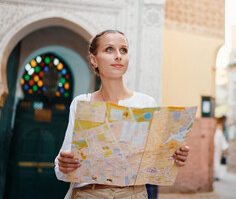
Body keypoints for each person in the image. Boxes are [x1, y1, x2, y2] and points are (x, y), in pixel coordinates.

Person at [54, 30, 190, 199]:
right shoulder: (82, 103)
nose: (118, 56)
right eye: (109, 49)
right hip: (89, 193)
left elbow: (154, 163)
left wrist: (174, 157)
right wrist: (64, 164)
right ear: (94, 59)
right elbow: (61, 169)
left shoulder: (146, 104)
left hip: (133, 194)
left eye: (123, 50)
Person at [213, 116, 228, 181]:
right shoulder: (218, 132)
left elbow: (224, 146)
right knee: (216, 160)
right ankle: (215, 176)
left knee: (216, 160)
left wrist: (224, 153)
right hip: (216, 150)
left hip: (217, 150)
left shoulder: (218, 133)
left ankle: (216, 175)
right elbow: (224, 146)